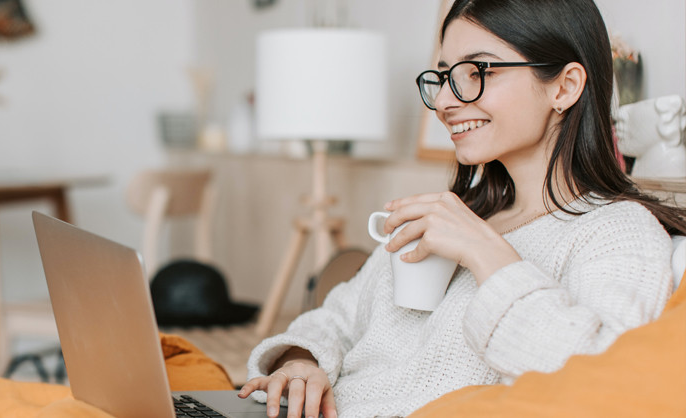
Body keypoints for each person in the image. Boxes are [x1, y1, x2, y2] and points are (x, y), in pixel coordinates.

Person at [238, 0, 685, 417]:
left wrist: (486, 253)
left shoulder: (616, 231)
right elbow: (337, 316)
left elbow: (601, 384)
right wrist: (301, 362)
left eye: (478, 71)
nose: (447, 102)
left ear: (565, 87)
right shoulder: (458, 213)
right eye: (445, 76)